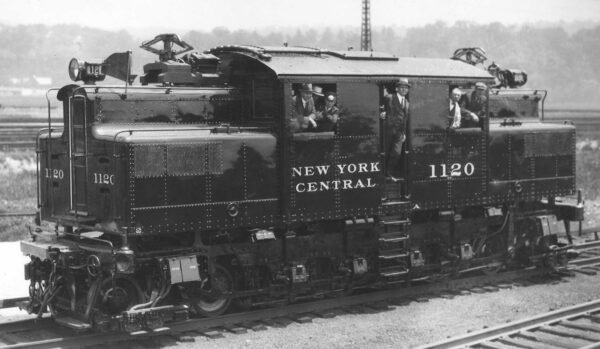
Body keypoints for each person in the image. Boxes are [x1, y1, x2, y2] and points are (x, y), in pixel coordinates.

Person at [381, 78, 410, 180]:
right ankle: (382, 174)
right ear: (397, 89)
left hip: (399, 133)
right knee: (385, 152)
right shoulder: (389, 97)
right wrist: (381, 114)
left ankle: (389, 173)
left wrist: (404, 133)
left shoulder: (407, 103)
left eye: (406, 88)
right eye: (402, 88)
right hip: (387, 130)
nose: (404, 90)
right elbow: (380, 108)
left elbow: (405, 119)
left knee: (396, 153)